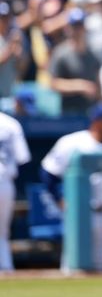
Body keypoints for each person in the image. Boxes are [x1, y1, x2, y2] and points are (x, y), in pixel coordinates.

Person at [40, 103, 102, 272]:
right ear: (98, 122)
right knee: (74, 268)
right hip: (79, 213)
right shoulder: (72, 142)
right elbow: (48, 173)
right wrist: (60, 200)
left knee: (101, 268)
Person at [48, 8, 101, 115]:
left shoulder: (93, 55)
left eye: (79, 26)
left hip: (89, 112)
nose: (77, 30)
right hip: (68, 113)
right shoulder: (61, 53)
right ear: (68, 28)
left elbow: (98, 86)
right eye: (74, 26)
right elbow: (54, 84)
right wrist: (81, 86)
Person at [0, 109, 30, 272]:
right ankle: (5, 269)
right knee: (2, 233)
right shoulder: (10, 123)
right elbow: (23, 159)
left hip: (5, 180)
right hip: (4, 182)